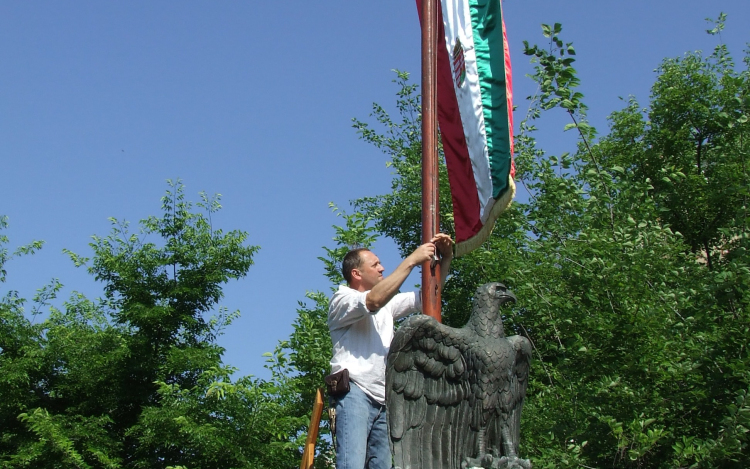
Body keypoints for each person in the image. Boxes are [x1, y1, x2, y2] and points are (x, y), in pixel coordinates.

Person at [328, 233, 453, 469]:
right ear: (356, 274)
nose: (382, 268)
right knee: (350, 465)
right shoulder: (342, 299)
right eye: (375, 264)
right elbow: (373, 301)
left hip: (385, 400)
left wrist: (445, 259)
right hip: (355, 393)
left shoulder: (386, 305)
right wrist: (411, 260)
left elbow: (429, 296)